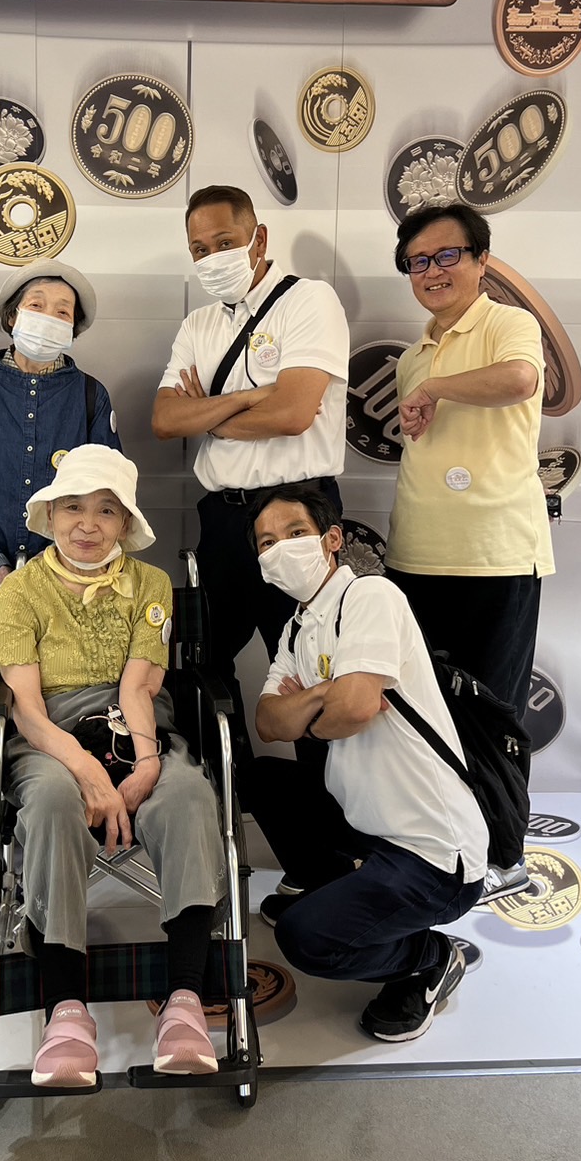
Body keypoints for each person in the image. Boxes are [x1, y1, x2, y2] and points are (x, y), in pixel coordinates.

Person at [0, 446, 227, 1087]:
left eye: (106, 510)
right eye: (73, 507)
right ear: (50, 514)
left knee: (187, 795)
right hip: (50, 736)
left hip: (134, 726)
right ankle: (66, 1012)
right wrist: (89, 773)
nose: (87, 524)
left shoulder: (149, 585)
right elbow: (26, 709)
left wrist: (145, 764)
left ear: (125, 523)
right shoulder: (20, 592)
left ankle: (184, 1002)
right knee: (52, 801)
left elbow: (137, 688)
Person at [151, 184, 349, 858]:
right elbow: (165, 418)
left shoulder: (308, 301)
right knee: (202, 667)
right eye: (198, 249)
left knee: (316, 672)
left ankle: (329, 852)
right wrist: (250, 399)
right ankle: (231, 809)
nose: (212, 258)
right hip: (222, 520)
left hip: (297, 512)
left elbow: (294, 412)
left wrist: (211, 413)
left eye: (224, 242)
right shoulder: (198, 325)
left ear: (258, 238)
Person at [250, 484, 487, 1043]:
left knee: (305, 939)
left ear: (332, 539)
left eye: (295, 533)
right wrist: (324, 695)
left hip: (432, 851)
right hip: (368, 827)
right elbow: (268, 722)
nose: (280, 549)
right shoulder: (296, 627)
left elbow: (356, 708)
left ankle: (429, 958)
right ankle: (336, 889)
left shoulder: (370, 596)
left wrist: (312, 708)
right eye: (266, 543)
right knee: (262, 777)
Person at [384, 203, 553, 902]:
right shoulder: (411, 357)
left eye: (446, 255)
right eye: (418, 262)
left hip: (497, 554)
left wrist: (436, 387)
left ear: (481, 260)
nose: (432, 271)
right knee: (425, 713)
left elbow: (519, 380)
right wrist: (423, 383)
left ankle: (505, 856)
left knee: (494, 714)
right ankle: (444, 845)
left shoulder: (509, 325)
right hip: (417, 554)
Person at [0, 261, 121, 853]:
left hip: (69, 586)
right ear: (12, 315)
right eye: (37, 305)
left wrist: (61, 572)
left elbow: (105, 492)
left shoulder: (91, 396)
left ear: (76, 327)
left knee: (61, 702)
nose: (48, 317)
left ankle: (50, 820)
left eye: (62, 311)